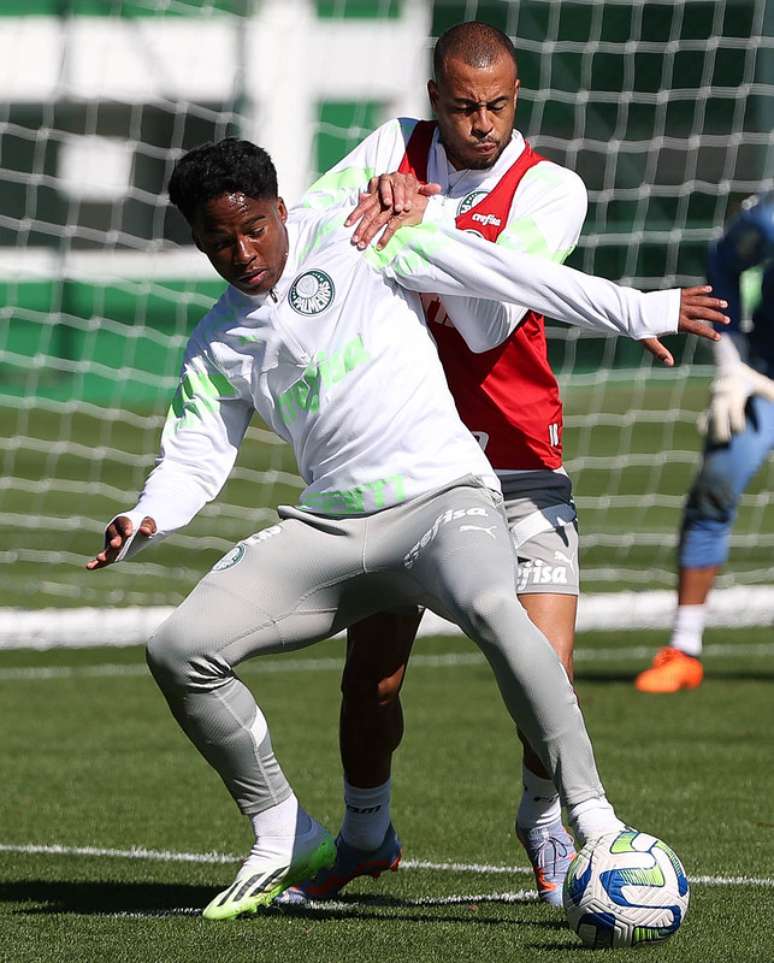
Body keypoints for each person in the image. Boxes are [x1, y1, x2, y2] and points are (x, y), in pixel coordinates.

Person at [86, 137, 725, 920]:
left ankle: (596, 821)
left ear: (281, 209)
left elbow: (510, 275)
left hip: (442, 501)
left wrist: (646, 308)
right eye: (219, 240)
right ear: (197, 239)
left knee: (498, 609)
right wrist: (145, 513)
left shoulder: (361, 238)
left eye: (254, 227)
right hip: (334, 529)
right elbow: (194, 457)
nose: (242, 251)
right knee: (178, 649)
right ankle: (286, 828)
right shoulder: (217, 341)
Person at [292, 20, 679, 906]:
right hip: (400, 463)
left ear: (517, 98)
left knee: (546, 667)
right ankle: (364, 830)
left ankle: (543, 818)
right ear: (435, 100)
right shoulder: (395, 145)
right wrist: (385, 204)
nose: (481, 123)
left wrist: (426, 214)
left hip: (515, 457)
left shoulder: (551, 189)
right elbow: (312, 227)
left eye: (498, 105)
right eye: (463, 106)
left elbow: (482, 321)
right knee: (374, 672)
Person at [635, 191, 774, 694]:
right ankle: (684, 647)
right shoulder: (768, 219)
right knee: (717, 482)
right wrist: (731, 363)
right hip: (766, 378)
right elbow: (726, 258)